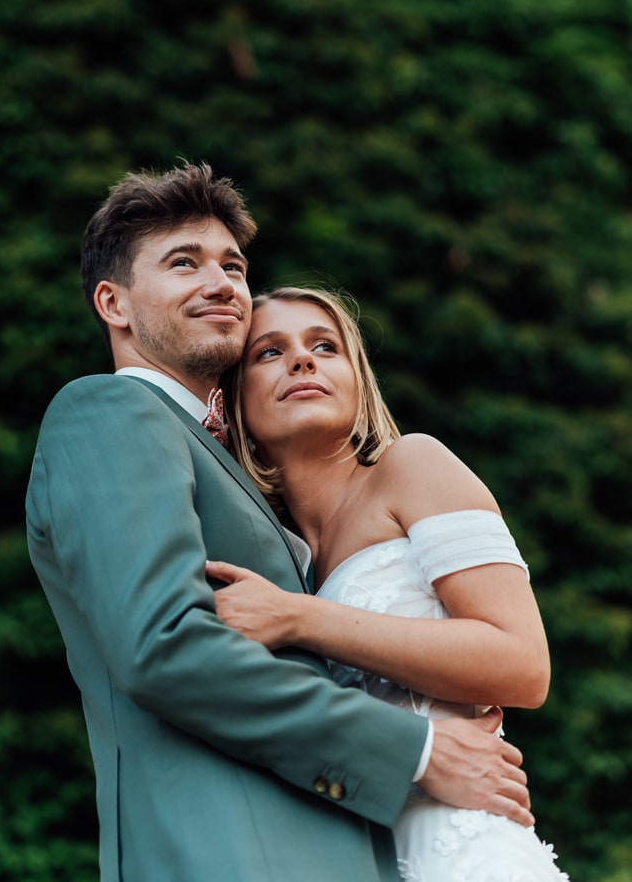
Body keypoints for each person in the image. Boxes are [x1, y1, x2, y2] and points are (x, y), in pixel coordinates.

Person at [26, 163, 533, 882]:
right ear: (114, 303)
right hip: (231, 851)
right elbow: (164, 645)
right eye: (183, 263)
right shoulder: (111, 412)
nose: (220, 282)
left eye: (232, 265)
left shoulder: (245, 478)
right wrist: (415, 751)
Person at [208, 285, 570, 881]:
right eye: (268, 352)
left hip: (465, 846)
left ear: (356, 377)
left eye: (324, 345)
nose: (302, 359)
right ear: (232, 401)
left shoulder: (414, 466)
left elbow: (524, 664)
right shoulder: (278, 559)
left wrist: (303, 619)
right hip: (350, 856)